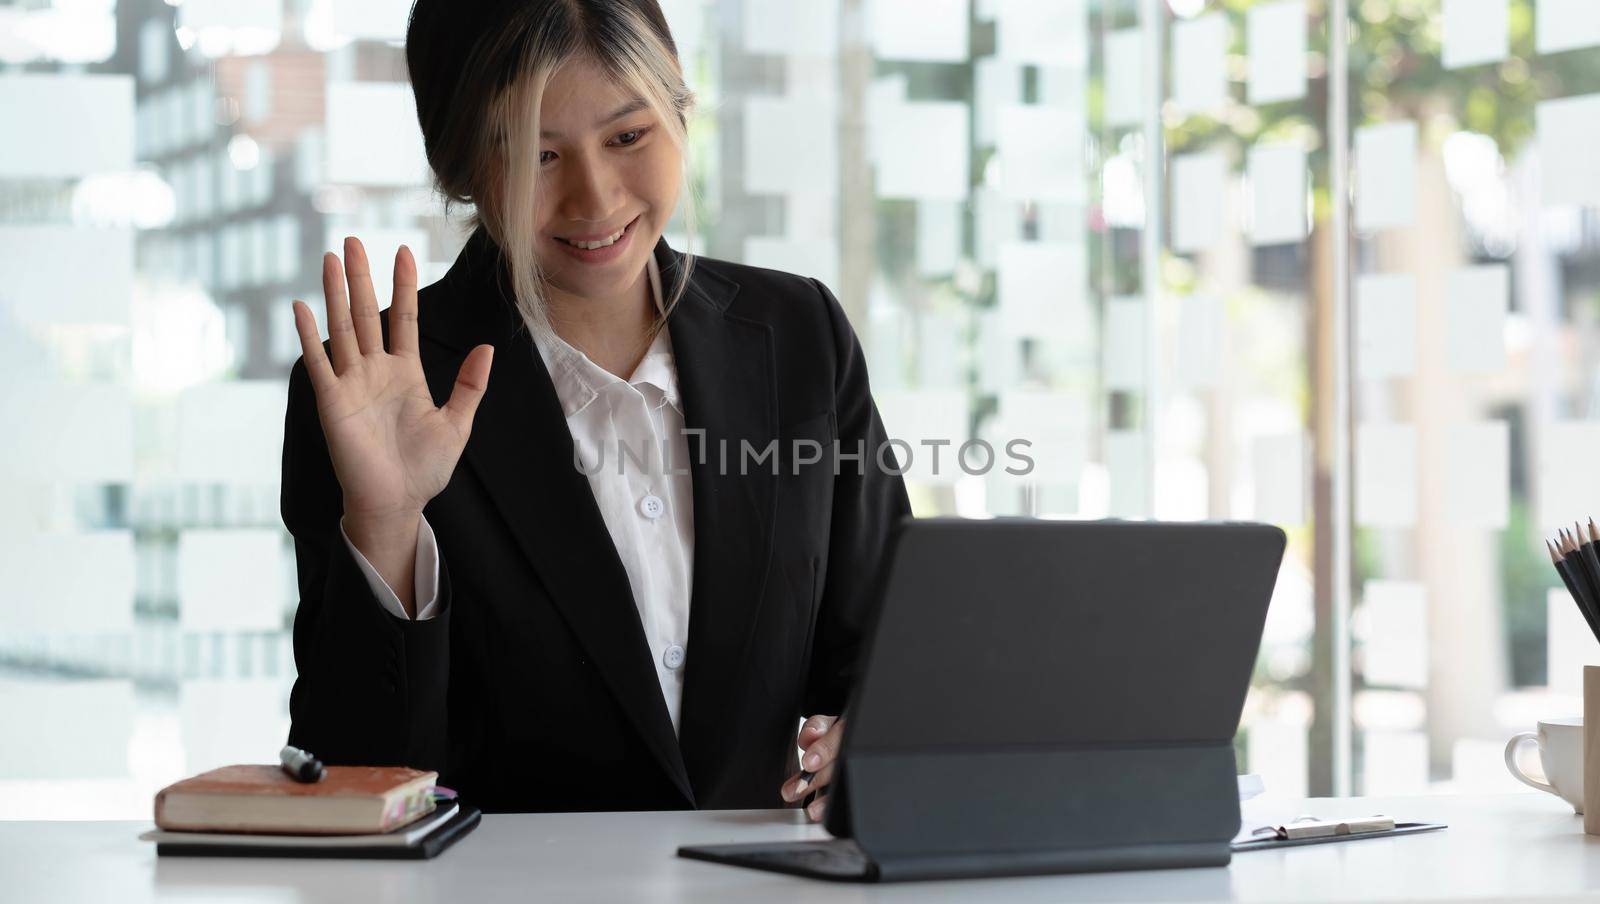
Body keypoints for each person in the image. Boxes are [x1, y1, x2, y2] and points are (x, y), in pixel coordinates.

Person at [280, 0, 910, 817]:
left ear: (679, 111)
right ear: (460, 165)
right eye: (539, 155)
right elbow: (350, 776)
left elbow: (888, 644)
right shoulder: (370, 389)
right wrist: (389, 524)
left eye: (628, 137)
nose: (595, 197)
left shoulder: (797, 336)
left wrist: (878, 726)